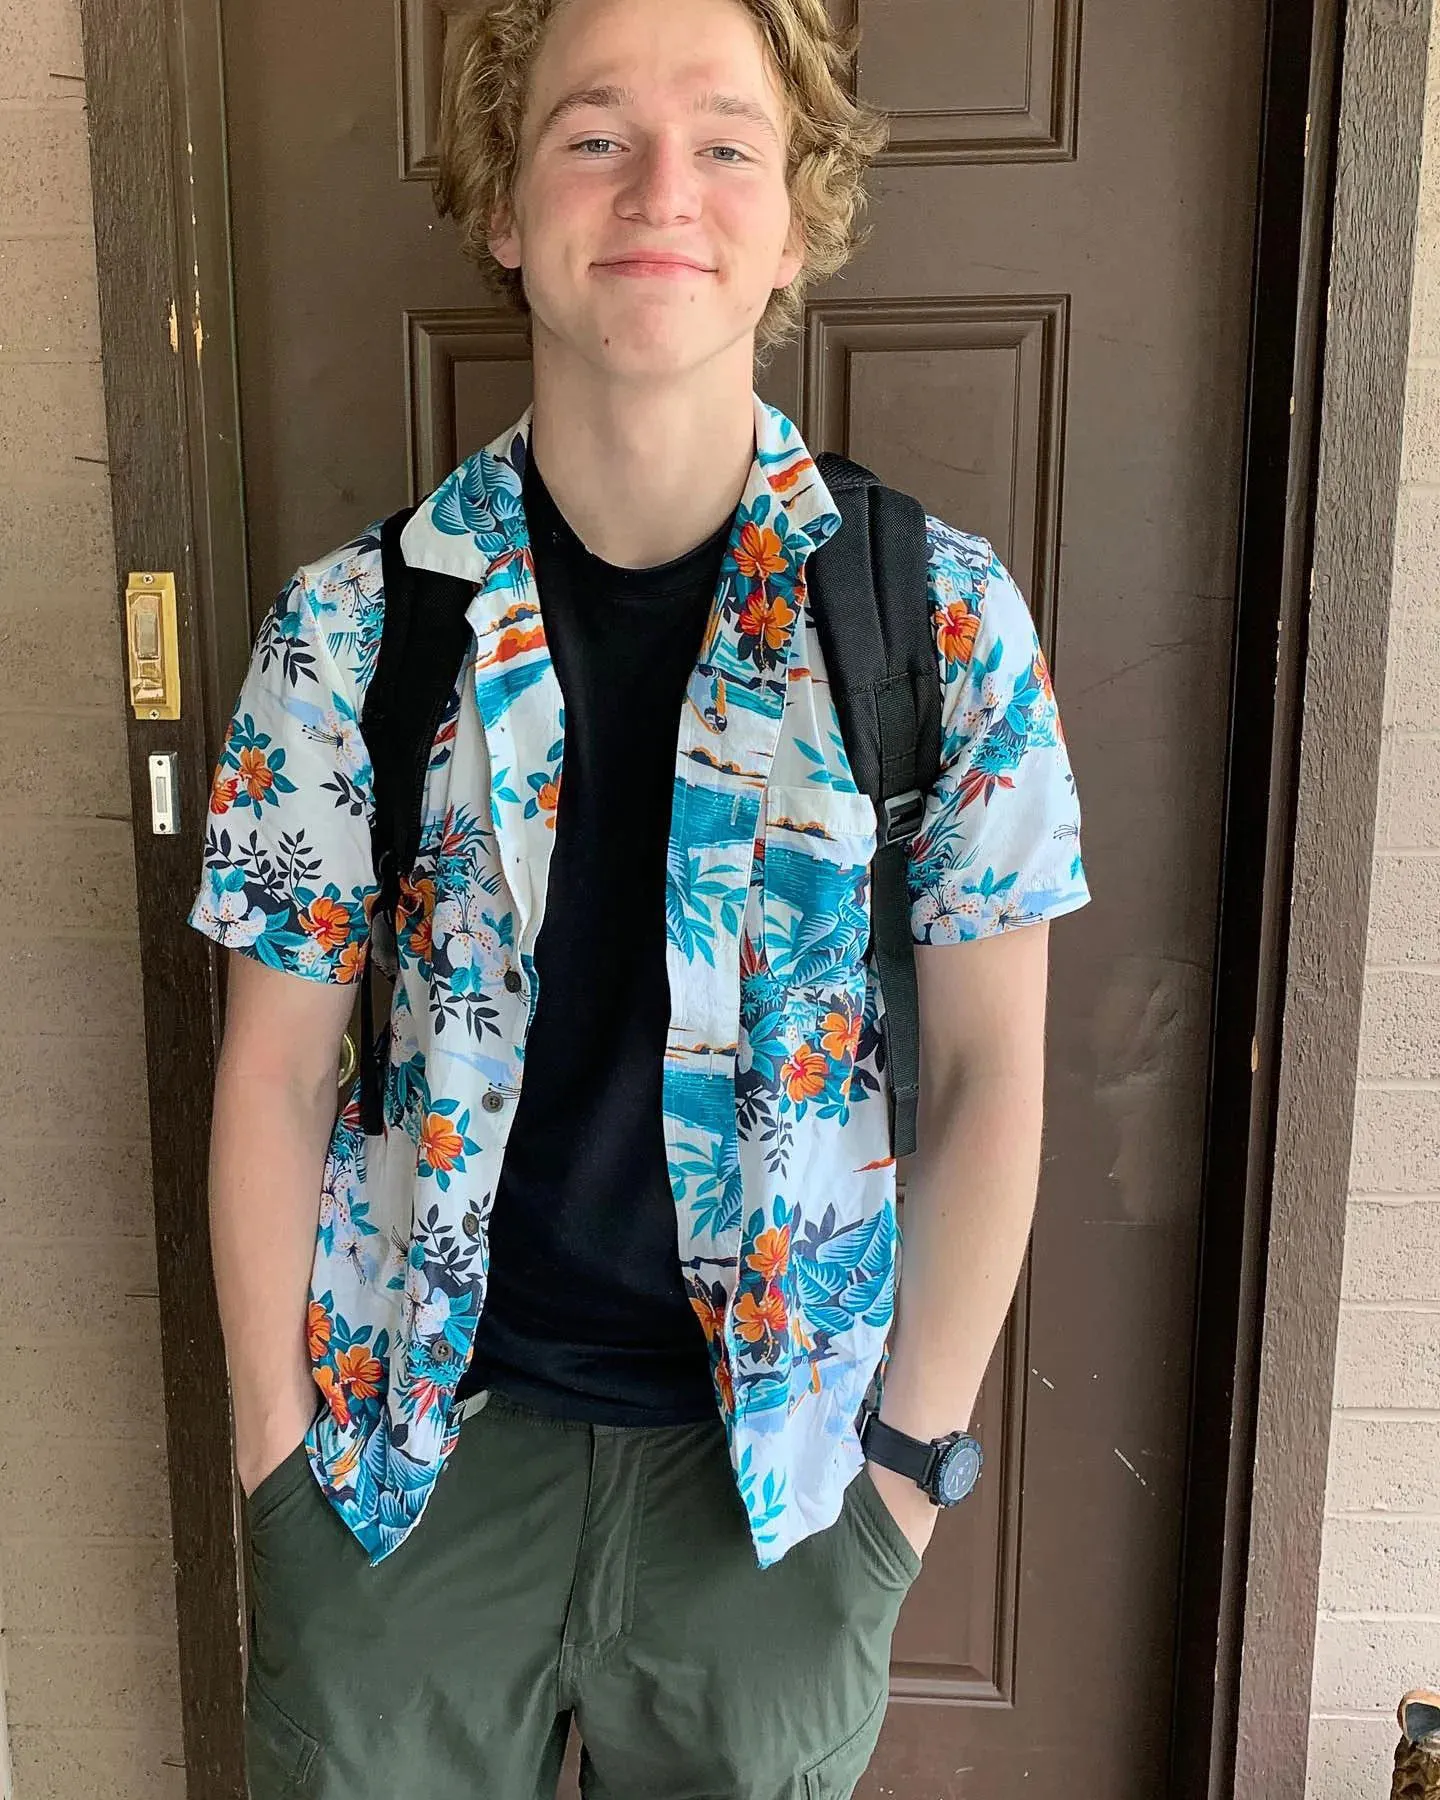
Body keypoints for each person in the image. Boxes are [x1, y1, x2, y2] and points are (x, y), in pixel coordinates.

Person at [190, 0, 1092, 1793]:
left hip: (778, 1502)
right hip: (403, 1478)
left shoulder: (936, 621)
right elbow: (274, 1072)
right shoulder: (351, 631)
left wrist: (905, 1477)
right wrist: (273, 1456)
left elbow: (994, 1078)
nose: (662, 186)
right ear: (506, 204)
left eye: (727, 142)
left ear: (794, 216)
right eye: (595, 134)